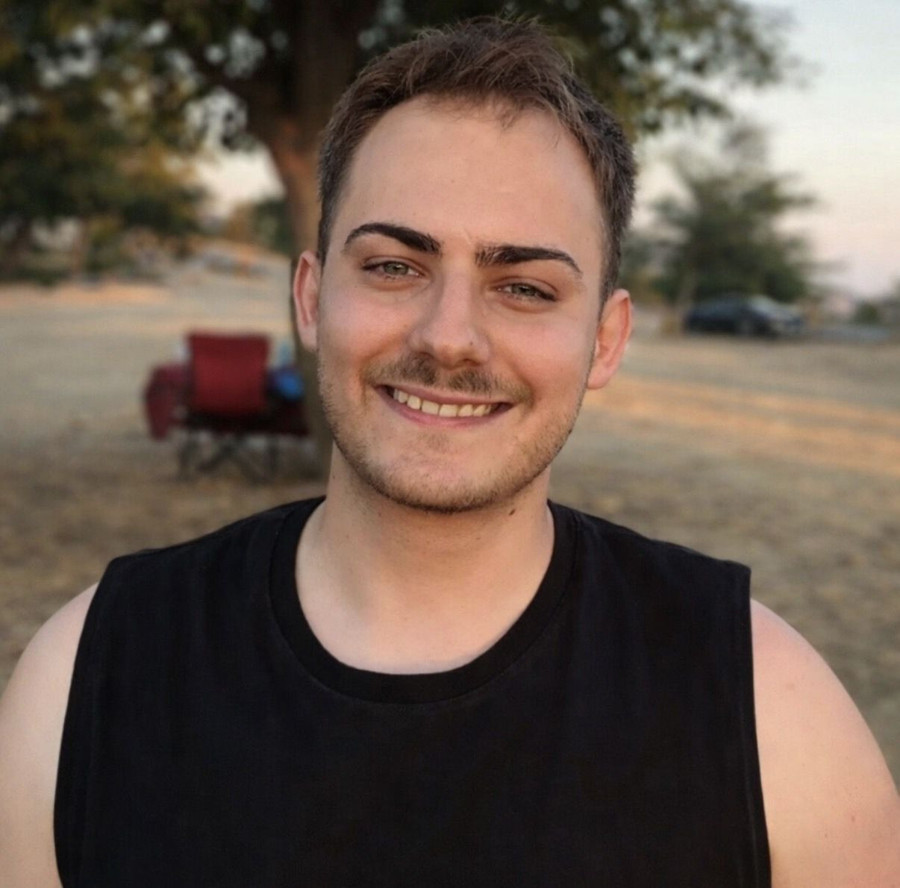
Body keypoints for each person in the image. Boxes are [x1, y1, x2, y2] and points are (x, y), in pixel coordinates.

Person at [1, 18, 897, 888]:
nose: (450, 337)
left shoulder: (770, 713)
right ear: (310, 300)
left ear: (606, 340)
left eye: (525, 286)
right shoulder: (85, 676)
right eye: (394, 266)